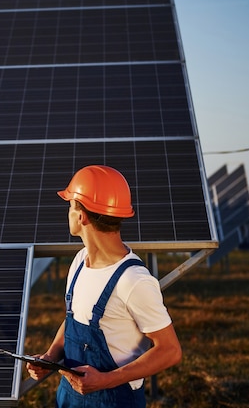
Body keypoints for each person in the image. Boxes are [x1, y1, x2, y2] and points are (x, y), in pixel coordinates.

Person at [26, 165, 182, 407]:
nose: (68, 213)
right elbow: (74, 319)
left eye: (71, 206)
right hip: (68, 397)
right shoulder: (79, 262)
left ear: (82, 216)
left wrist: (106, 380)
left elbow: (170, 350)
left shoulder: (133, 280)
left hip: (114, 400)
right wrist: (50, 356)